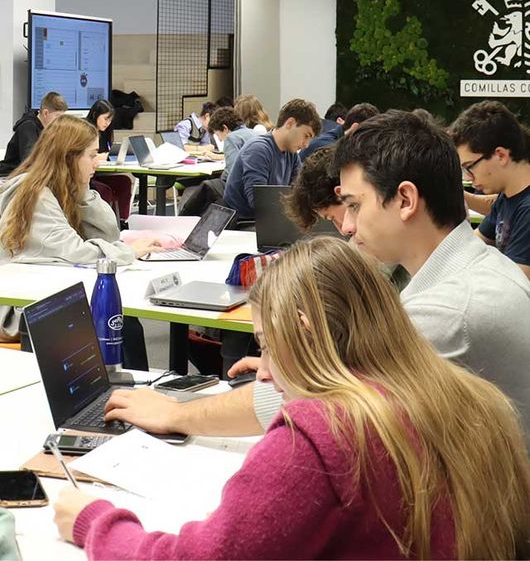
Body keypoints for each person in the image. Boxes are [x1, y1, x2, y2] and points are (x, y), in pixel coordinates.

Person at [55, 239, 530, 560]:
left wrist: (95, 523)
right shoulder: (470, 399)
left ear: (303, 330)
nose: (262, 369)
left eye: (266, 343)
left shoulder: (322, 436)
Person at [104, 110, 530, 443]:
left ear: (405, 199)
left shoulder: (447, 311)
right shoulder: (471, 270)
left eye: (356, 206)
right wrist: (298, 365)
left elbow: (317, 405)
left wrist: (174, 413)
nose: (346, 227)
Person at [0, 115, 160, 360]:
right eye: (91, 155)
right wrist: (130, 251)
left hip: (40, 291)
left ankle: (129, 389)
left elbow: (109, 233)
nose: (97, 161)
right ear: (69, 157)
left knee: (121, 318)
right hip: (16, 307)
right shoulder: (36, 195)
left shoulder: (60, 188)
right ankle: (127, 391)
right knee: (119, 320)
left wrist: (83, 189)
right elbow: (77, 252)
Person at [450, 100, 530, 278]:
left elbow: (514, 284)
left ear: (501, 155)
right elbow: (473, 244)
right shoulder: (507, 197)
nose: (468, 177)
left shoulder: (527, 209)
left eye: (470, 166)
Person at [224, 98, 321, 219]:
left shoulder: (292, 154)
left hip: (269, 218)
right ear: (290, 123)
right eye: (306, 136)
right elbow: (258, 202)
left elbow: (299, 191)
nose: (306, 144)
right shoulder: (258, 149)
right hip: (244, 221)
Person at [85, 99, 133, 224]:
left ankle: (122, 221)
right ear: (95, 114)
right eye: (105, 119)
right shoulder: (84, 130)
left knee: (125, 182)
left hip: (100, 173)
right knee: (105, 190)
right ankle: (104, 224)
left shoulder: (105, 133)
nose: (108, 123)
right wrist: (102, 156)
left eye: (110, 120)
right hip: (87, 177)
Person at [0, 91, 67, 176]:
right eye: (58, 117)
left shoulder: (47, 129)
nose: (60, 122)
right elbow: (30, 161)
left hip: (24, 176)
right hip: (10, 176)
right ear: (45, 113)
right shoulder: (28, 127)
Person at [300, 102, 379, 161]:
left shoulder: (333, 140)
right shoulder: (330, 149)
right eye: (369, 136)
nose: (371, 142)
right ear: (355, 128)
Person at [208, 107, 255, 181]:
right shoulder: (255, 133)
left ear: (225, 128)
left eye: (217, 134)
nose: (220, 139)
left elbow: (231, 173)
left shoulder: (231, 138)